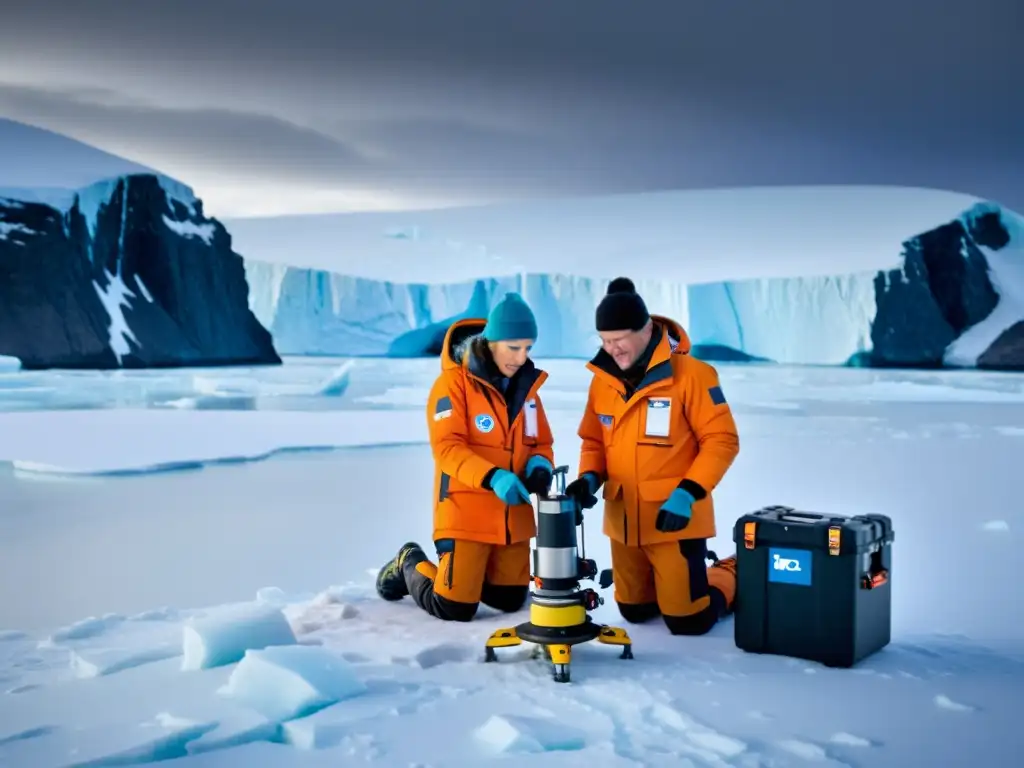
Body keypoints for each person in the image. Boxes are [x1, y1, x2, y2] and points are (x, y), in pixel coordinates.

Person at [565, 277, 740, 636]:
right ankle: (671, 585)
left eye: (618, 339)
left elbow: (722, 440)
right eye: (604, 341)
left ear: (645, 329)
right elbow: (593, 440)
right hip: (624, 522)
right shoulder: (603, 381)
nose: (611, 349)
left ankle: (732, 571)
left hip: (673, 520)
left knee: (689, 620)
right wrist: (589, 479)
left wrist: (688, 493)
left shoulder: (693, 376)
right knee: (634, 612)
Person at [375, 292, 556, 622]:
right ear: (491, 342)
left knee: (508, 600)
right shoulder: (452, 385)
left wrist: (540, 465)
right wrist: (493, 477)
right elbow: (447, 449)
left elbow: (541, 442)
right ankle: (408, 562)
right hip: (465, 511)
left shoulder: (528, 391)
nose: (521, 357)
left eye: (527, 348)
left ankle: (474, 572)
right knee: (455, 607)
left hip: (511, 518)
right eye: (513, 347)